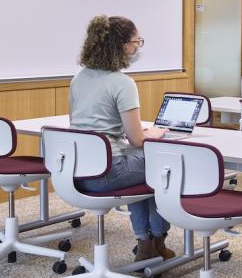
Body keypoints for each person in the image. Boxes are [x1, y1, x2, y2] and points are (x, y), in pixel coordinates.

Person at [68, 15, 175, 262]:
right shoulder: (122, 83)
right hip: (108, 174)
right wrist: (154, 132)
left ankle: (146, 244)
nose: (138, 47)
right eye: (137, 41)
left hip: (79, 172)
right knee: (165, 165)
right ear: (122, 46)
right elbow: (137, 140)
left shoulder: (78, 78)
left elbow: (79, 123)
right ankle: (157, 239)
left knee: (143, 169)